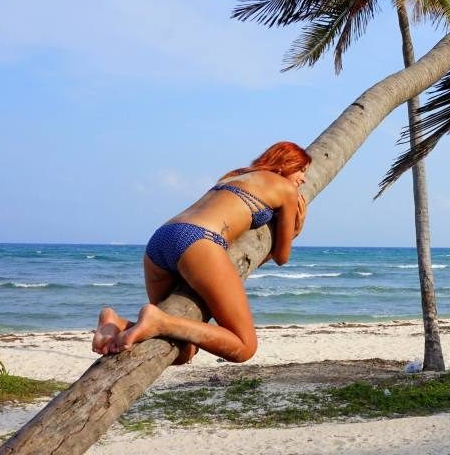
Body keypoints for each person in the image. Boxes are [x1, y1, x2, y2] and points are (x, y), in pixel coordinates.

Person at [92, 141, 310, 363]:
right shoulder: (287, 189)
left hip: (161, 240)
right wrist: (296, 228)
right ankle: (159, 320)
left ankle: (116, 323)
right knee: (244, 346)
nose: (304, 179)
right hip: (200, 239)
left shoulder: (233, 175)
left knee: (182, 352)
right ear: (285, 165)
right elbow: (282, 257)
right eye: (302, 170)